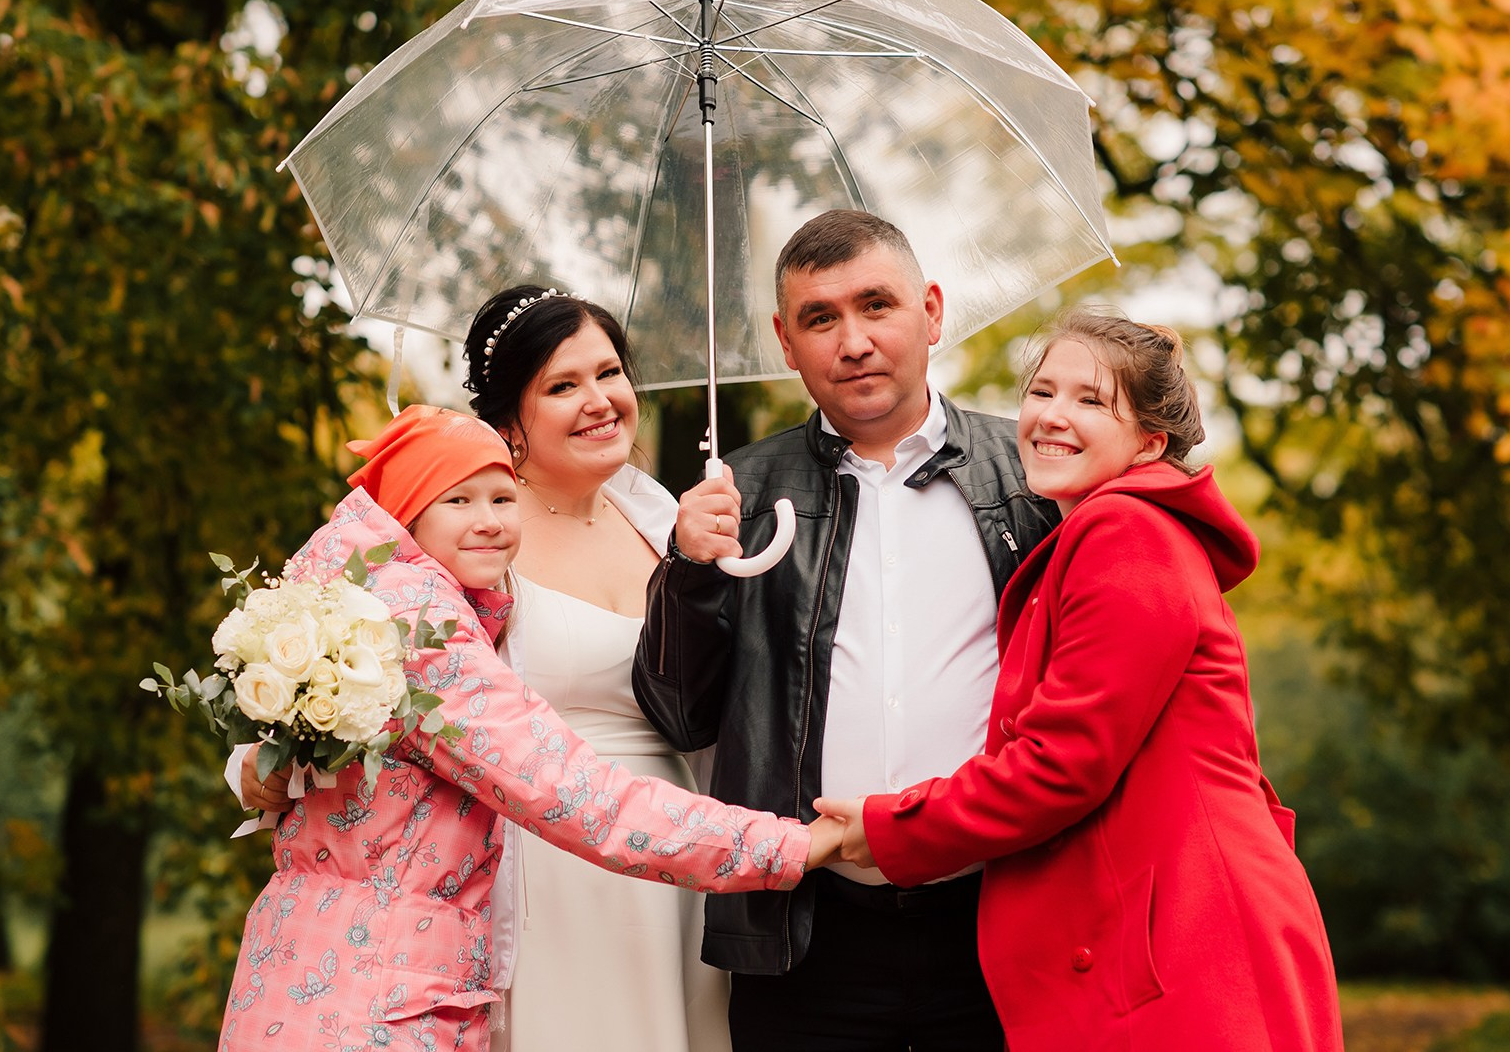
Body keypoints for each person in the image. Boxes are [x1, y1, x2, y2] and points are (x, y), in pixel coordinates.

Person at [218, 405, 839, 1052]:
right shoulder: (420, 627)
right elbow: (574, 792)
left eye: (501, 498)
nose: (490, 520)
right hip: (373, 997)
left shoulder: (365, 609)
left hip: (308, 964)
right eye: (458, 499)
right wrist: (791, 844)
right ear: (409, 514)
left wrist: (262, 765)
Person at [814, 310, 1344, 1051]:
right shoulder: (1103, 533)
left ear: (1150, 442)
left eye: (1091, 400)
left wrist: (888, 826)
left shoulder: (1126, 532)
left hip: (1187, 941)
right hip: (1163, 929)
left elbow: (1060, 763)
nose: (1052, 416)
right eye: (1042, 391)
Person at [632, 210, 1059, 1051]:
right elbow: (679, 716)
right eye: (820, 317)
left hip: (1004, 914)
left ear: (931, 311)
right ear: (786, 342)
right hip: (806, 932)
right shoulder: (739, 494)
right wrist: (689, 570)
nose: (853, 341)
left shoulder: (1033, 478)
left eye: (876, 305)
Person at [461, 286, 733, 1052]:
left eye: (609, 373)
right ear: (508, 421)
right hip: (554, 863)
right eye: (562, 385)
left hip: (680, 850)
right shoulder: (480, 531)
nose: (600, 400)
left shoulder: (661, 514)